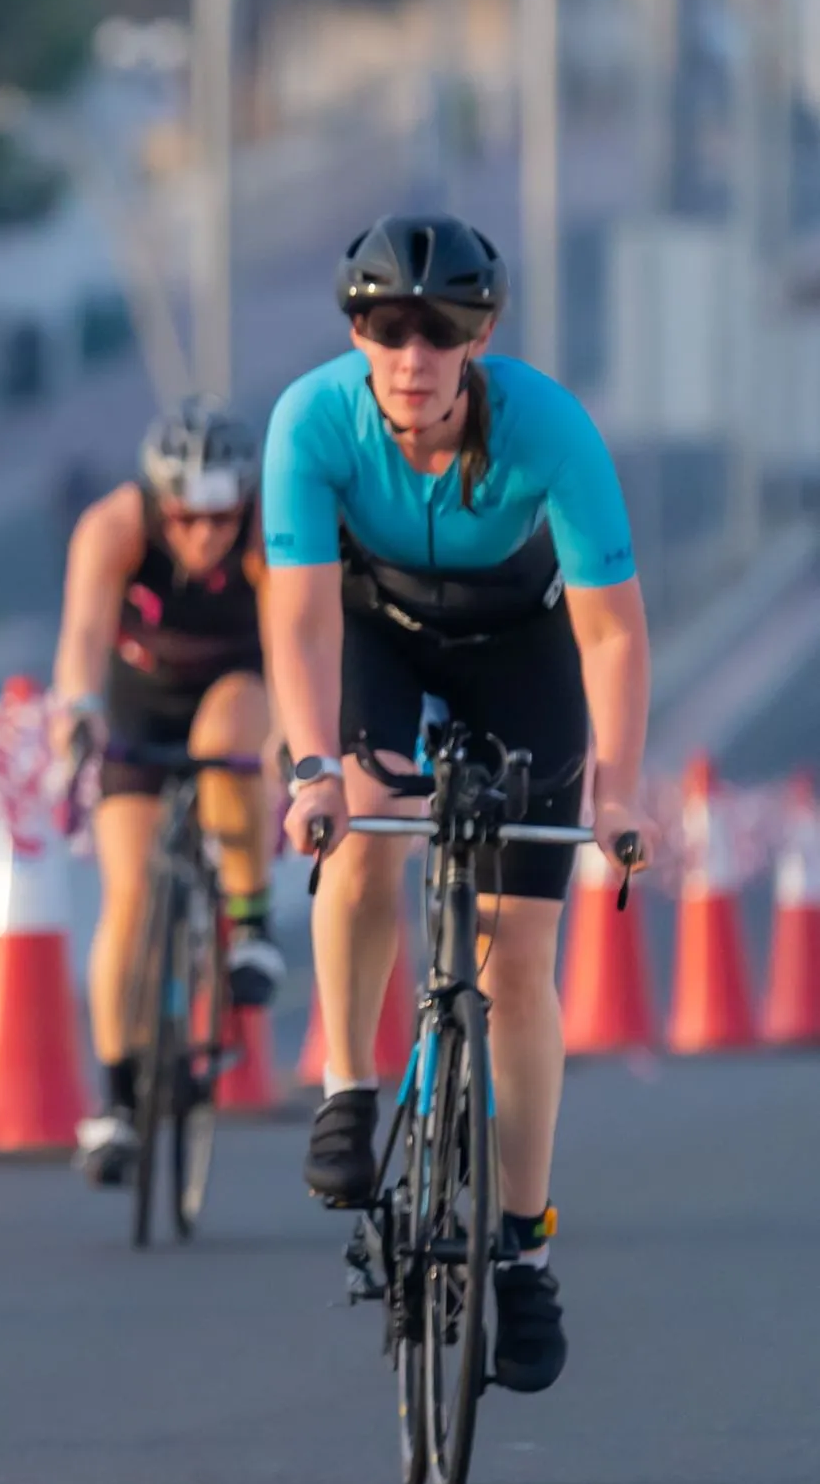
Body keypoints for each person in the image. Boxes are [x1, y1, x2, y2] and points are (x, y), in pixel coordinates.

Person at [263, 215, 655, 1393]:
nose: (413, 354)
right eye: (387, 326)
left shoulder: (548, 426)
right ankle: (346, 1082)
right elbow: (297, 619)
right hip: (374, 635)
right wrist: (308, 769)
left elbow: (608, 631)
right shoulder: (310, 419)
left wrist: (618, 793)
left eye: (441, 329)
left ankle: (523, 1247)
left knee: (518, 958)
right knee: (362, 824)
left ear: (481, 336)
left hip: (516, 647)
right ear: (355, 332)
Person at [52, 395, 284, 1186]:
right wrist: (78, 711)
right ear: (158, 503)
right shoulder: (113, 526)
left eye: (221, 518)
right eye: (185, 517)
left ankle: (249, 920)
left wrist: (293, 736)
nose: (204, 535)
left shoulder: (266, 532)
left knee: (225, 742)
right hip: (141, 702)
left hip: (236, 685)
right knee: (127, 894)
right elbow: (83, 637)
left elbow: (293, 634)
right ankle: (117, 1099)